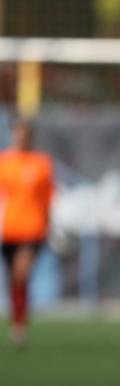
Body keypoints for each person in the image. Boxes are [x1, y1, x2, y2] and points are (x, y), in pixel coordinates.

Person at [0, 116, 54, 347]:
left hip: (32, 229)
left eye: (25, 132)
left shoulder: (41, 163)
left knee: (21, 274)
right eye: (17, 132)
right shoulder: (4, 162)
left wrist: (50, 225)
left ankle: (19, 326)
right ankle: (17, 318)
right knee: (13, 278)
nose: (21, 137)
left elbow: (48, 198)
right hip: (7, 230)